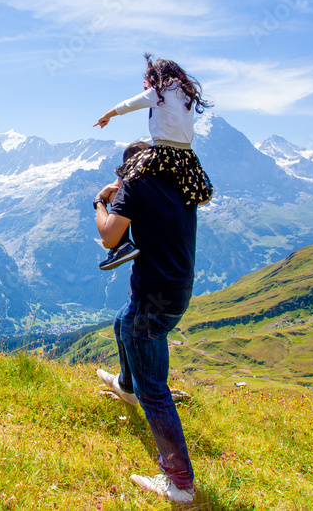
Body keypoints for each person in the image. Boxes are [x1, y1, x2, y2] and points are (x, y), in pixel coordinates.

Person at [90, 54, 210, 505]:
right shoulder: (185, 182)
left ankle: (179, 484)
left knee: (156, 389)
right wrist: (122, 189)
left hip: (154, 296)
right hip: (178, 288)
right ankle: (126, 386)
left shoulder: (136, 185)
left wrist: (100, 203)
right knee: (125, 323)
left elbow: (108, 239)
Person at [93, 54, 212, 270]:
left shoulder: (158, 92)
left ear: (155, 76)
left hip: (162, 151)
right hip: (186, 157)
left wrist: (107, 115)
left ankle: (120, 242)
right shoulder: (186, 95)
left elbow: (129, 104)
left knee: (128, 174)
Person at [98, 140, 150, 271]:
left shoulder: (131, 188)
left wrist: (99, 201)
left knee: (115, 192)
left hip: (151, 279)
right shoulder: (173, 183)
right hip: (185, 274)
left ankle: (121, 246)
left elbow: (108, 240)